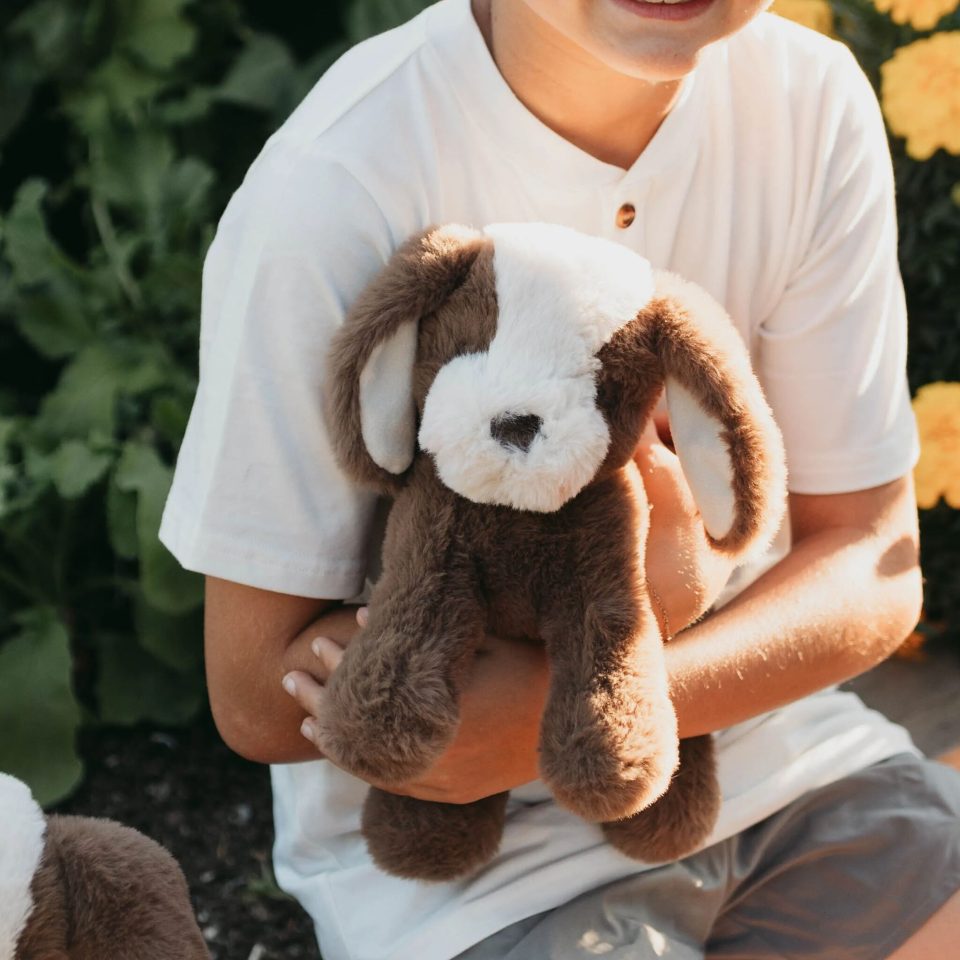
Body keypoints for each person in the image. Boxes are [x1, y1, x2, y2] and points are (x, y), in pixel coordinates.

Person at [159, 0, 960, 957]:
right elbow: (253, 693)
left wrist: (589, 701)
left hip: (780, 768)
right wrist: (498, 699)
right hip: (477, 882)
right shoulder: (336, 184)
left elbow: (872, 556)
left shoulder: (810, 100)